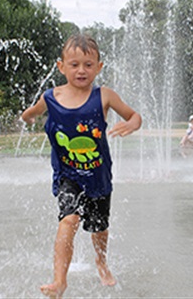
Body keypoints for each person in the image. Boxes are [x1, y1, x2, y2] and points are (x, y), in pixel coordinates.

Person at [21, 33, 142, 298]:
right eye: (74, 64)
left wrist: (132, 124)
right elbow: (32, 112)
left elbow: (134, 115)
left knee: (98, 227)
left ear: (99, 67)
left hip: (98, 176)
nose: (81, 70)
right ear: (61, 66)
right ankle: (59, 281)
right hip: (68, 175)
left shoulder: (104, 96)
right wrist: (28, 117)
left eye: (88, 65)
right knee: (68, 219)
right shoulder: (51, 97)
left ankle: (101, 261)